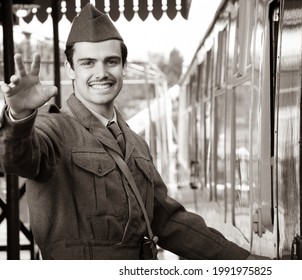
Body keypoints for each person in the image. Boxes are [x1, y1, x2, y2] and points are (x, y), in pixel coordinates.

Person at [0, 4, 265, 260]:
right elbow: (16, 157)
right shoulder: (53, 129)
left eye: (111, 61)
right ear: (70, 68)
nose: (101, 73)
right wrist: (20, 117)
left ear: (124, 67)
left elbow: (169, 221)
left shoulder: (137, 144)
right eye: (88, 63)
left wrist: (245, 260)